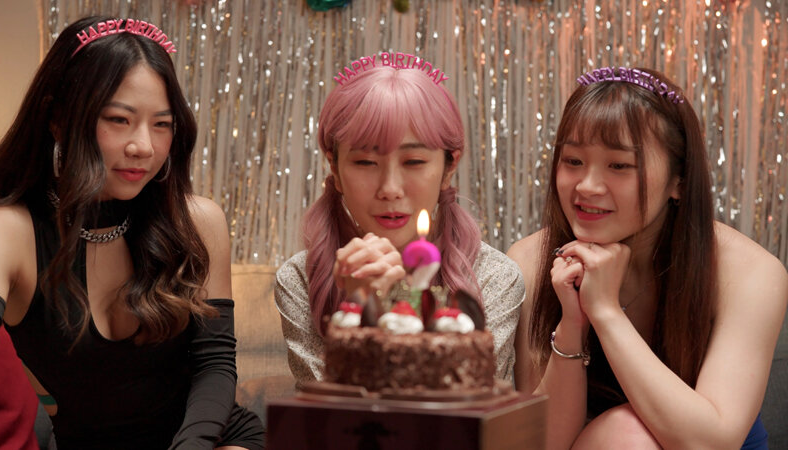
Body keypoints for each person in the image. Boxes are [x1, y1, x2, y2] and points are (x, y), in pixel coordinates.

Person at [0, 16, 264, 449]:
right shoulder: (7, 231)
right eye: (119, 119)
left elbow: (214, 367)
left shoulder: (198, 222)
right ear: (58, 119)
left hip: (209, 440)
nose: (144, 147)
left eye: (162, 124)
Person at [508, 66, 788, 449]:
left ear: (679, 181)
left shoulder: (749, 272)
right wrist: (573, 324)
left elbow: (711, 443)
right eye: (573, 161)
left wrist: (606, 312)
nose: (587, 186)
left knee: (627, 434)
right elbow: (543, 444)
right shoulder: (530, 261)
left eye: (619, 166)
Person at [275, 56, 524, 384]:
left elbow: (470, 402)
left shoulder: (493, 278)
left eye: (414, 161)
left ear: (449, 168)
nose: (390, 189)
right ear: (335, 168)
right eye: (365, 162)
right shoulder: (302, 278)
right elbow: (331, 410)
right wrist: (362, 307)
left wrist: (393, 308)